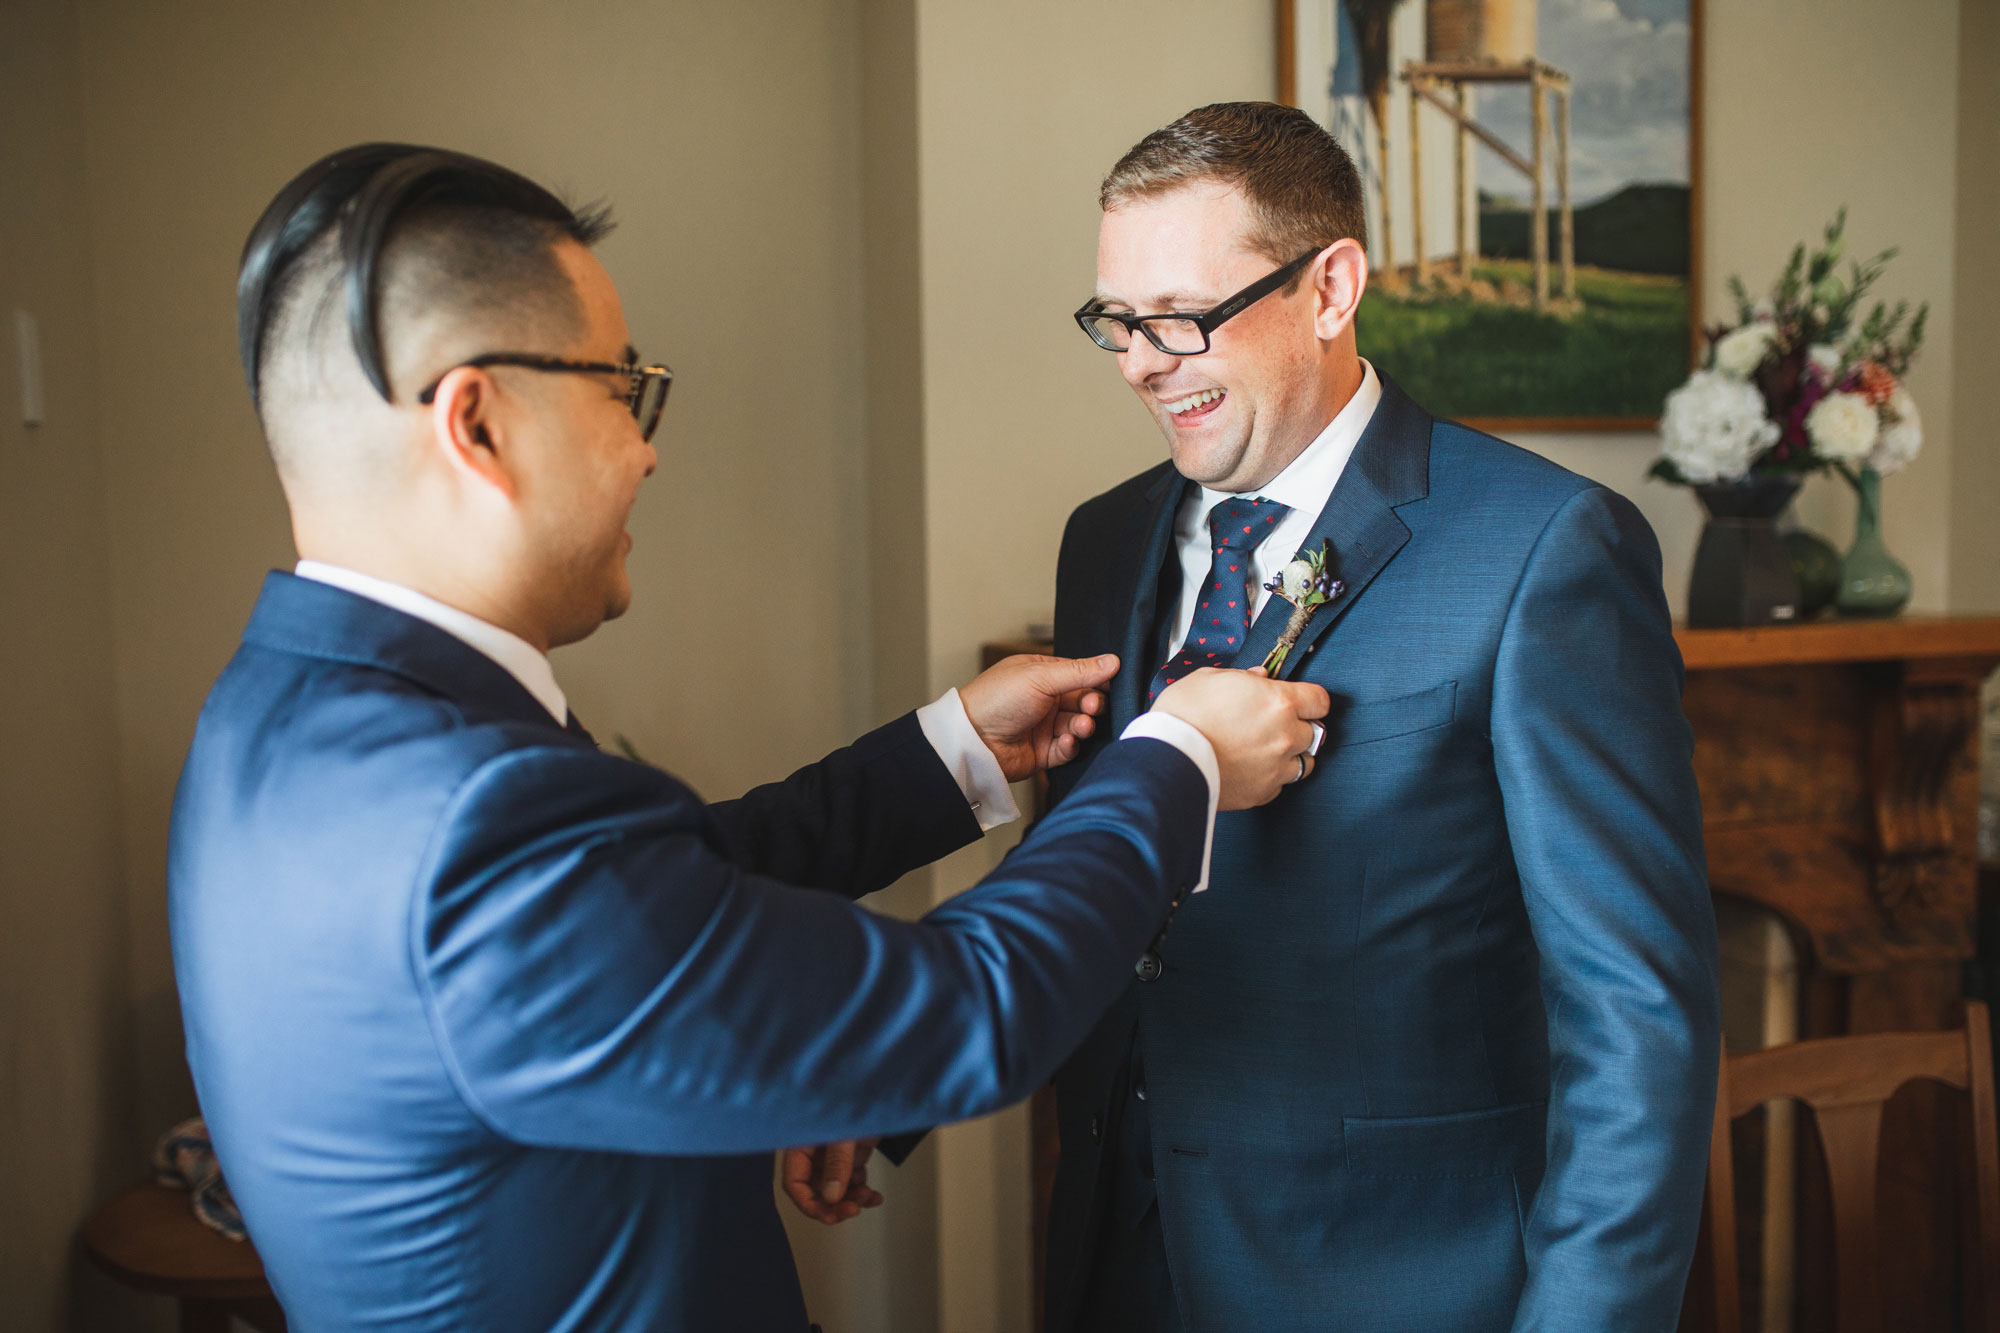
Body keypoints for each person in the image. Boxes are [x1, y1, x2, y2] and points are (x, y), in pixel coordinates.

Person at [168, 142, 1329, 1332]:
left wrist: (950, 753)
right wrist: (1170, 759)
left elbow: (661, 898)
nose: (645, 447)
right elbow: (964, 1012)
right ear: (479, 424)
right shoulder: (466, 807)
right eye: (622, 389)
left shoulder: (273, 717)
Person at [1036, 103, 1721, 1331]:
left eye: (1182, 315)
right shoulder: (1103, 540)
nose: (1141, 360)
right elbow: (1095, 875)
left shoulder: (1543, 548)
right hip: (1117, 1262)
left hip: (1401, 1283)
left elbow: (1637, 1025)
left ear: (1330, 287)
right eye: (1117, 322)